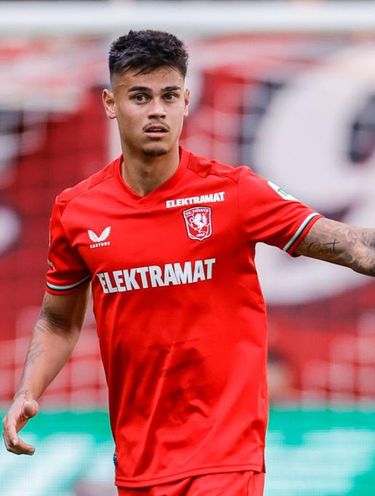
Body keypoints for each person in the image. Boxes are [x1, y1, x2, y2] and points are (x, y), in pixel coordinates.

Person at [2, 30, 374, 496]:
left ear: (186, 101)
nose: (157, 109)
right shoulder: (77, 209)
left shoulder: (235, 191)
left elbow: (350, 246)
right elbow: (58, 321)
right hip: (139, 458)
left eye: (168, 95)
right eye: (140, 96)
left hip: (225, 456)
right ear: (110, 102)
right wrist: (27, 391)